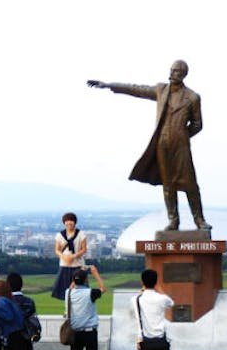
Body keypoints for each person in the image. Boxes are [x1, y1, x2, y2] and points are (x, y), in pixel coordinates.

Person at [87, 60, 211, 231]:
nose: (172, 73)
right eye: (171, 70)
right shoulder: (161, 90)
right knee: (168, 185)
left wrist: (182, 135)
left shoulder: (192, 97)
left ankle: (199, 220)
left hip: (180, 146)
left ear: (183, 74)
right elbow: (136, 89)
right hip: (162, 144)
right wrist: (109, 85)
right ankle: (173, 220)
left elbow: (197, 124)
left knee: (190, 183)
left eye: (176, 71)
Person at [64, 266, 106, 350]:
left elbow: (73, 285)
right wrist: (95, 273)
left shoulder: (68, 293)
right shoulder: (90, 293)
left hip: (74, 332)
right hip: (89, 332)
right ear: (86, 280)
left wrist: (79, 273)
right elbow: (103, 289)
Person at [7, 272, 37, 350]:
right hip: (26, 338)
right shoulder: (29, 302)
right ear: (21, 285)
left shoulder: (6, 302)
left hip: (11, 339)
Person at [52, 212, 88, 300]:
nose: (69, 223)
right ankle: (67, 310)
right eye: (67, 221)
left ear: (75, 222)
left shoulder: (81, 234)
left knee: (80, 291)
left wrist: (74, 256)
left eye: (71, 221)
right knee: (64, 292)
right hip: (64, 265)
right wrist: (63, 256)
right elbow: (57, 250)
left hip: (78, 266)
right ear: (64, 222)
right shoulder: (60, 235)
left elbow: (84, 249)